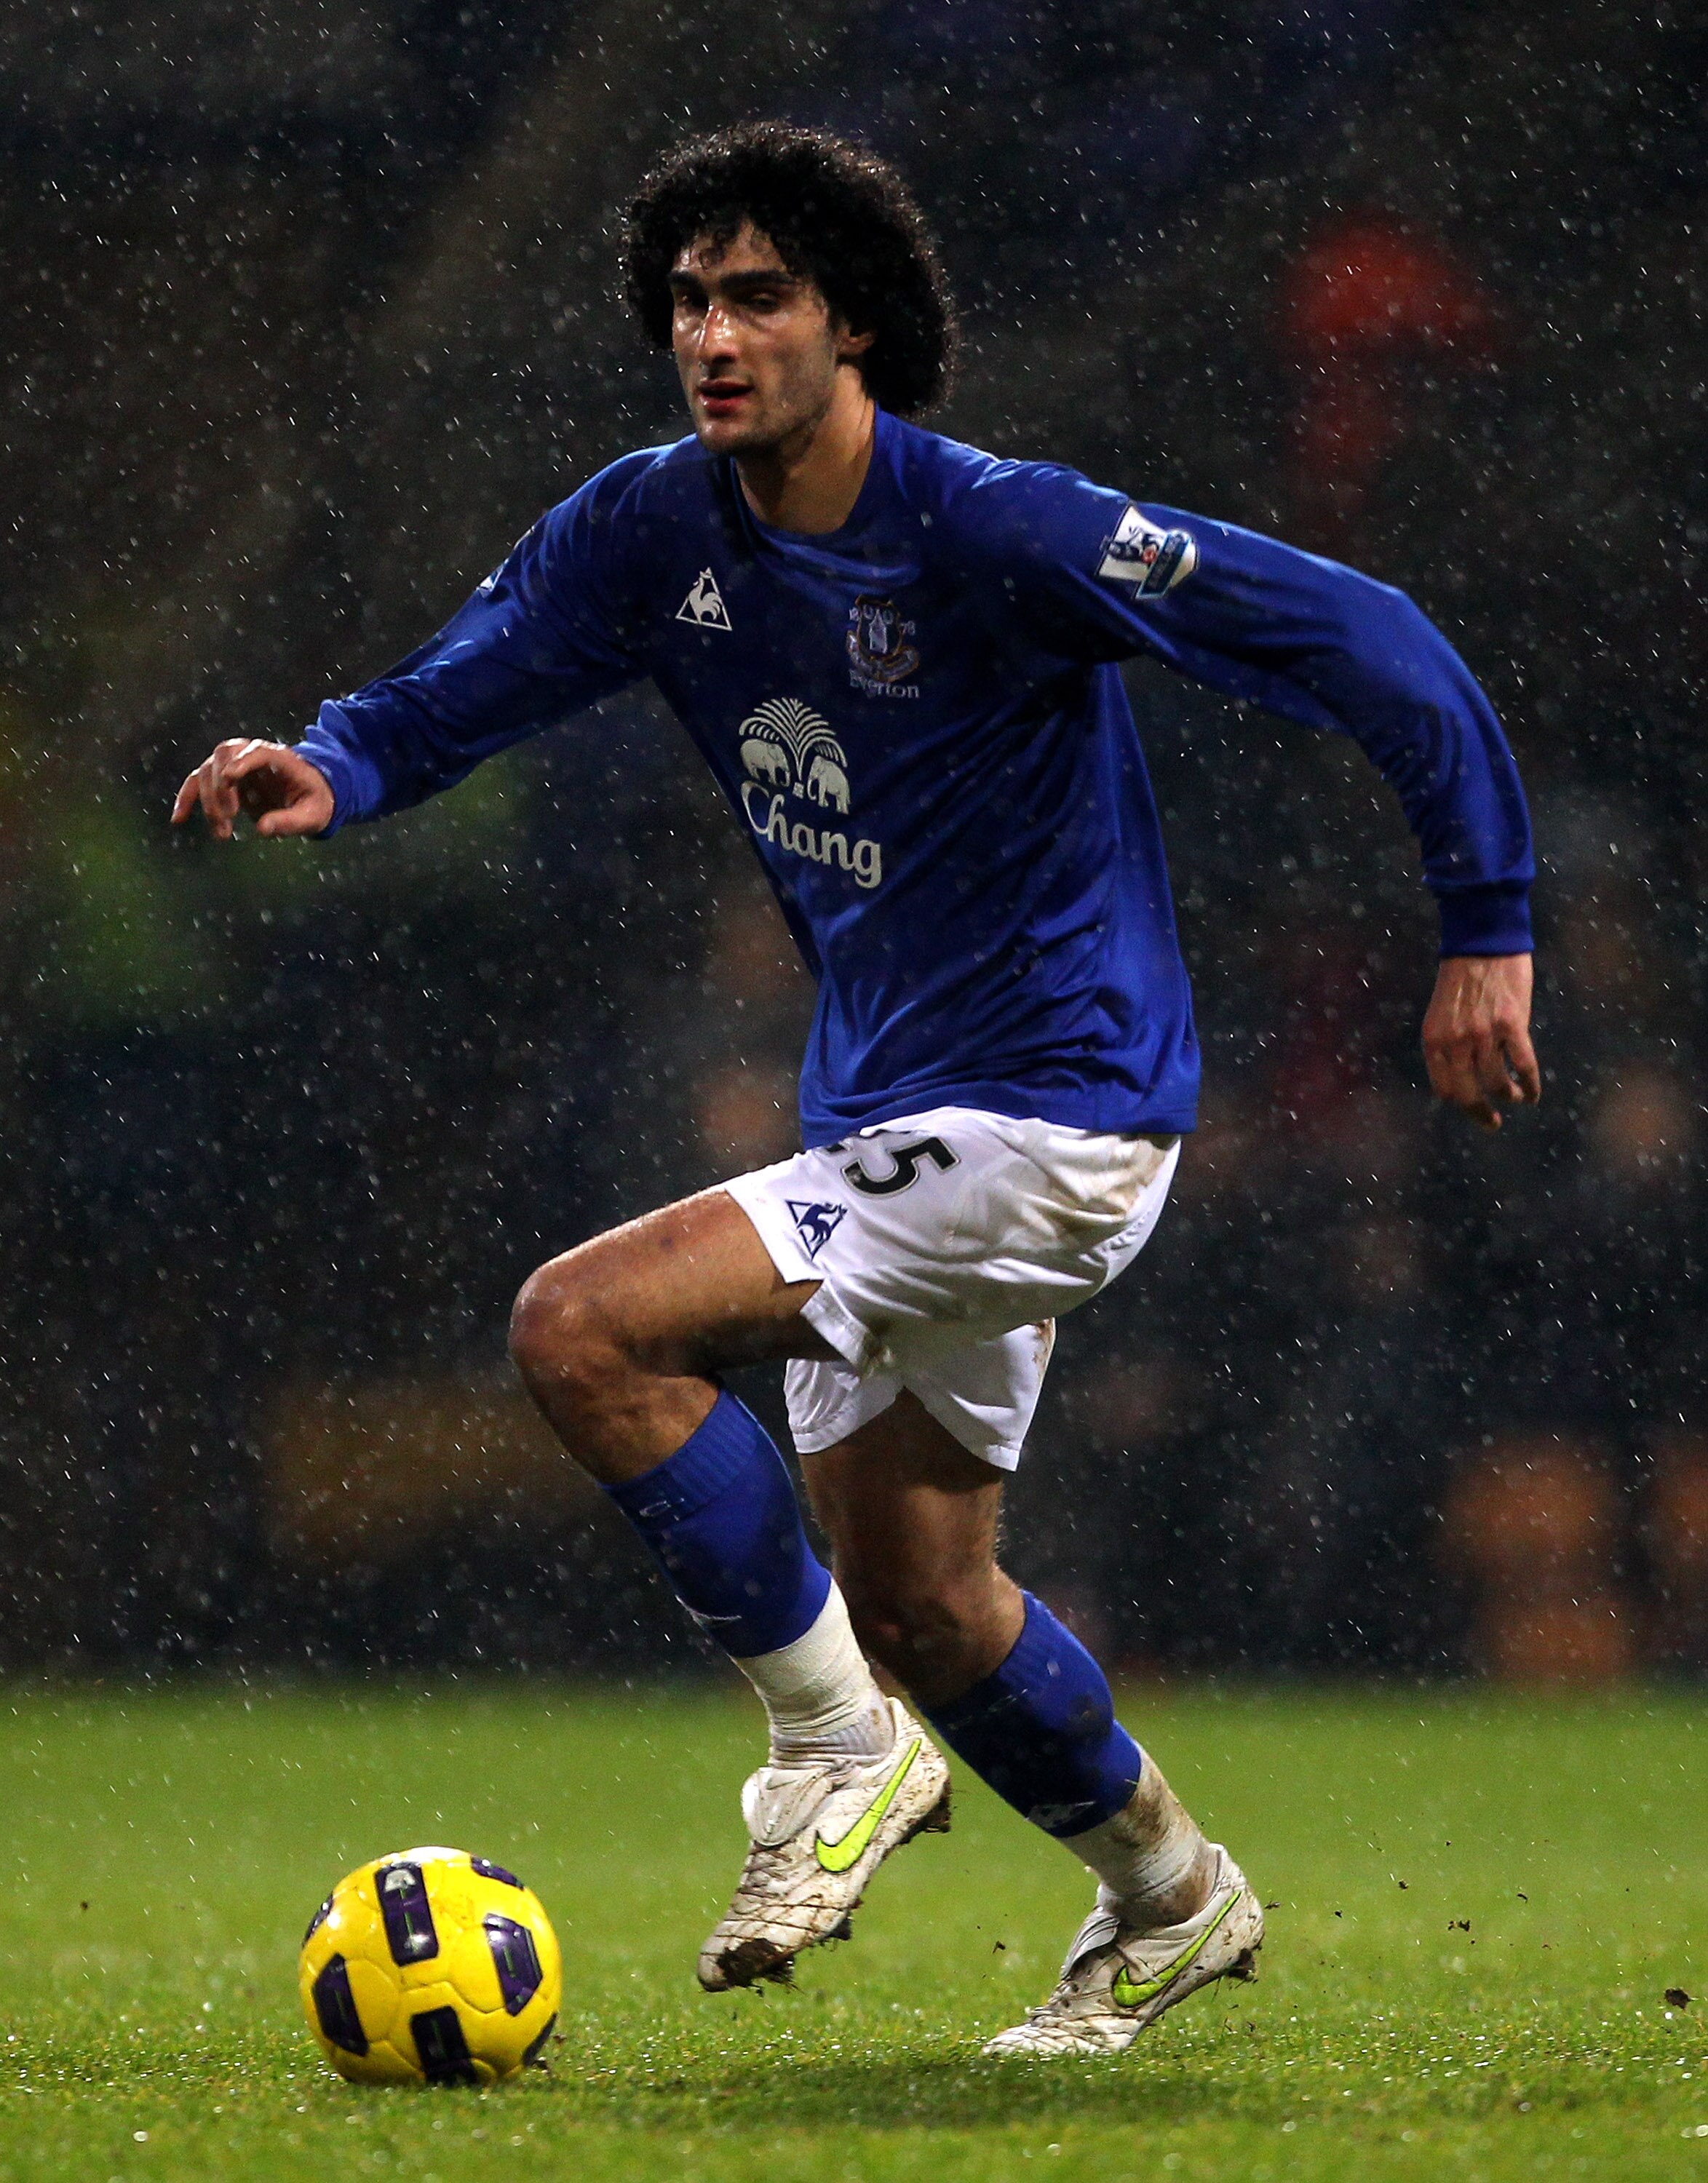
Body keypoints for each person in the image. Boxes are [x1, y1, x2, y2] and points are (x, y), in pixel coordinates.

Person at [173, 122, 1539, 2058]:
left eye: (758, 297)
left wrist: (1483, 920)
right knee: (917, 1597)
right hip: (892, 1116)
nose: (711, 336)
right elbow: (476, 673)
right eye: (686, 301)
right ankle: (1167, 1894)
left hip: (1058, 1113)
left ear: (855, 325)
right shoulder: (657, 527)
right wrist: (334, 765)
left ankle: (829, 1760)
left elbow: (1361, 636)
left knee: (581, 1328)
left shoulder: (996, 531)